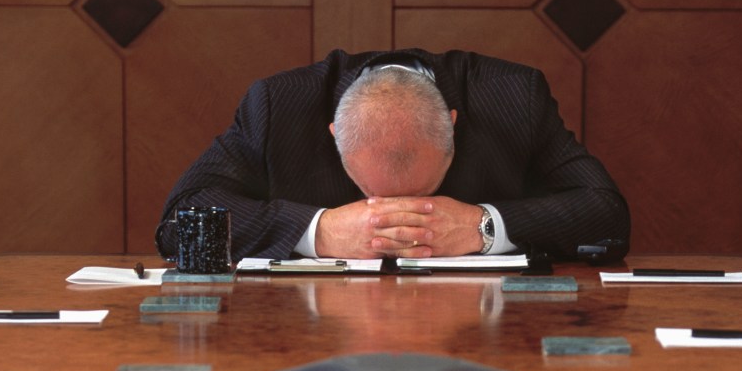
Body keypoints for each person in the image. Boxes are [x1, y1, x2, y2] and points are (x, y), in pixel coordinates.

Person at [155, 48, 630, 264]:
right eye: (375, 198)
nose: (396, 219)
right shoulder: (279, 105)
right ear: (334, 134)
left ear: (454, 125)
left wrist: (484, 227)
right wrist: (318, 231)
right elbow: (180, 220)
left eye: (420, 195)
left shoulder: (512, 98)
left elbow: (606, 214)